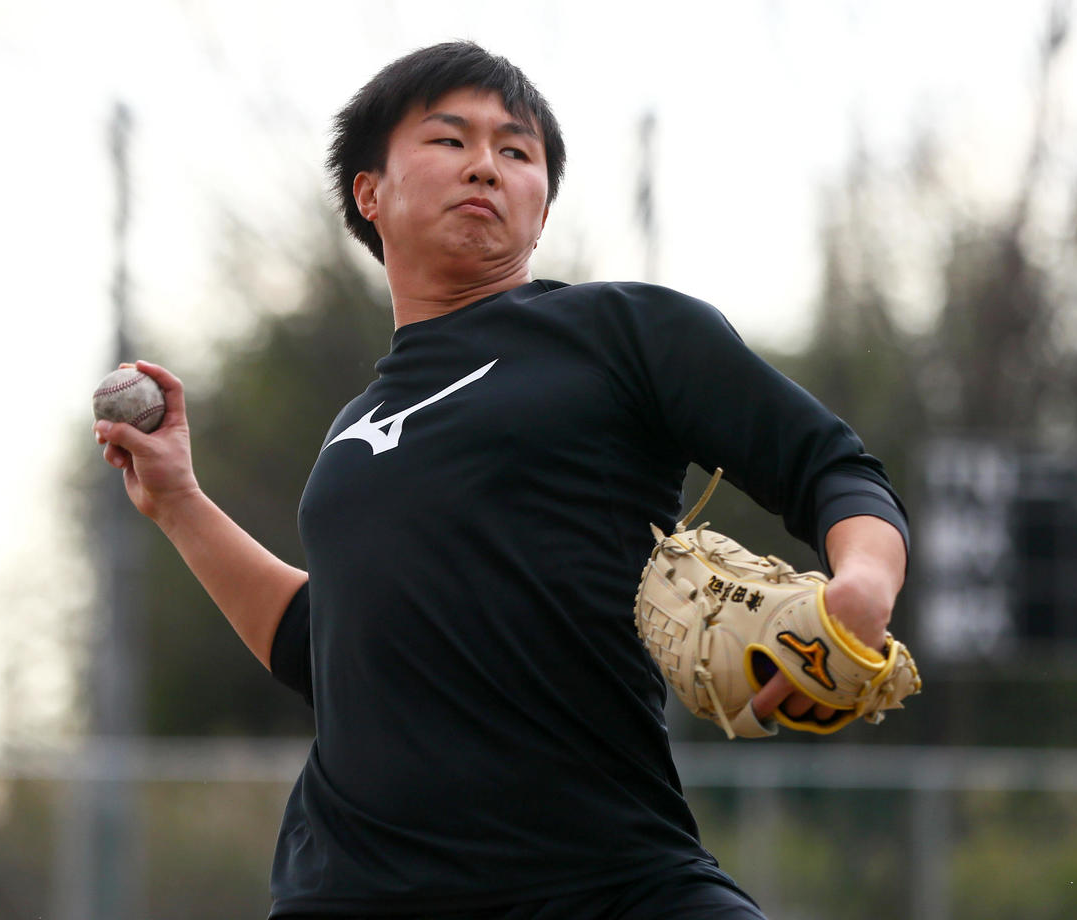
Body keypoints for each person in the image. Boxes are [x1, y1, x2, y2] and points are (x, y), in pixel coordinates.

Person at [95, 41, 908, 920]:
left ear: (542, 209)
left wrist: (864, 583)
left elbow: (831, 466)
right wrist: (178, 502)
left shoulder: (620, 332)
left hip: (608, 878)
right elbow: (321, 651)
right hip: (357, 890)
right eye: (450, 140)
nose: (485, 164)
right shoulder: (351, 436)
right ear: (369, 193)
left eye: (517, 151)